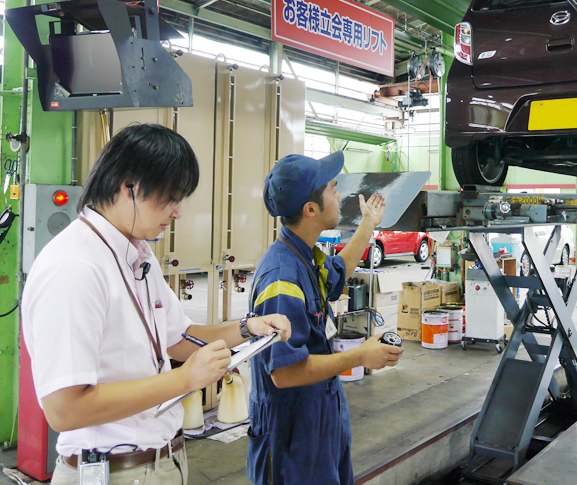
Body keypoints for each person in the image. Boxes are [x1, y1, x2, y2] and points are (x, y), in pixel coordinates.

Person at [22, 123, 291, 485]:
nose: (177, 212)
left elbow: (180, 337)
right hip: (114, 472)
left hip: (160, 463)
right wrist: (183, 378)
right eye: (170, 198)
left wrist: (247, 328)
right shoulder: (75, 267)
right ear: (129, 186)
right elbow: (65, 409)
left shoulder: (137, 256)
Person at [247, 151, 404, 485]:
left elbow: (338, 273)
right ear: (311, 209)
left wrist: (367, 224)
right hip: (292, 433)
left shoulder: (304, 256)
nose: (340, 196)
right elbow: (286, 372)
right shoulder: (282, 279)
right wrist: (361, 355)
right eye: (333, 189)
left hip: (317, 418)